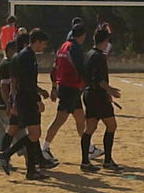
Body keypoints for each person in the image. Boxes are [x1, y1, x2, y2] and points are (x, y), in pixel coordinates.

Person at [42, 22, 104, 163]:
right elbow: (80, 68)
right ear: (83, 35)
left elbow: (54, 69)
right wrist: (90, 83)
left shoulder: (63, 47)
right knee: (59, 120)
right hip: (70, 87)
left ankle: (89, 148)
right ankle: (44, 149)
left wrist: (54, 87)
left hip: (66, 87)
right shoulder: (75, 48)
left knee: (80, 119)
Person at [0, 28, 51, 180]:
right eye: (43, 44)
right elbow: (27, 82)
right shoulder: (27, 57)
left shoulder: (18, 56)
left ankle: (31, 170)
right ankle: (6, 155)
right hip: (27, 99)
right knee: (34, 134)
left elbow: (17, 82)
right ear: (37, 42)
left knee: (32, 135)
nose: (44, 47)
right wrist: (37, 99)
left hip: (21, 99)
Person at [80, 24, 123, 173]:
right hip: (98, 96)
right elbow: (99, 79)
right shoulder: (99, 57)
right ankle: (108, 161)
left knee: (90, 128)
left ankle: (85, 161)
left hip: (88, 94)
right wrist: (110, 91)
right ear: (104, 41)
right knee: (111, 126)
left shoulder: (88, 54)